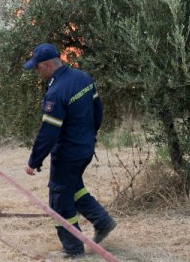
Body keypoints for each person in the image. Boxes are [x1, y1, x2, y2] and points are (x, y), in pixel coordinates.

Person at [23, 43, 117, 259]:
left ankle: (73, 248)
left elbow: (49, 132)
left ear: (47, 65)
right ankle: (102, 221)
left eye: (37, 67)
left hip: (67, 153)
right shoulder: (83, 78)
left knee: (59, 198)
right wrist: (90, 135)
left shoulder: (56, 92)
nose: (36, 71)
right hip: (85, 147)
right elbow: (98, 110)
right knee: (73, 187)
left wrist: (34, 161)